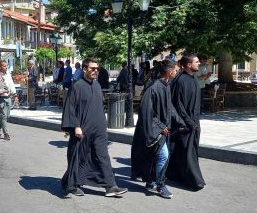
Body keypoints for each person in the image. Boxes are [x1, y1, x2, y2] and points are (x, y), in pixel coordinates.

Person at [60, 58, 128, 198]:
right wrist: (76, 126)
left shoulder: (97, 85)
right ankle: (71, 185)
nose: (95, 71)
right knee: (78, 156)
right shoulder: (77, 86)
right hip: (82, 129)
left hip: (99, 129)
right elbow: (70, 108)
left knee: (102, 156)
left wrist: (104, 125)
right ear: (84, 69)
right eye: (92, 68)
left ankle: (110, 186)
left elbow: (97, 107)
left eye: (97, 68)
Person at [130, 60, 184, 198]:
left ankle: (150, 181)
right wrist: (160, 127)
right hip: (155, 131)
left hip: (163, 129)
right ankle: (161, 185)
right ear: (169, 71)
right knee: (164, 156)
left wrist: (180, 121)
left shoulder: (166, 85)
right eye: (176, 70)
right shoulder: (153, 87)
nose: (177, 72)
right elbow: (146, 112)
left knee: (153, 158)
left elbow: (169, 107)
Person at [167, 54, 206, 190]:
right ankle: (194, 181)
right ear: (189, 65)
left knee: (184, 150)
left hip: (193, 120)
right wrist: (189, 123)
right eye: (196, 62)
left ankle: (173, 174)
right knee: (187, 151)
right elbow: (178, 105)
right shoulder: (181, 80)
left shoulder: (193, 78)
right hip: (185, 122)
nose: (199, 63)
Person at [0, 61, 17, 141]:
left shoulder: (8, 74)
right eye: (4, 66)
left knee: (7, 116)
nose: (5, 67)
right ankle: (6, 133)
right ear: (0, 67)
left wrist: (15, 95)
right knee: (3, 116)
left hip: (8, 97)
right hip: (1, 97)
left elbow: (11, 84)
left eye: (6, 66)